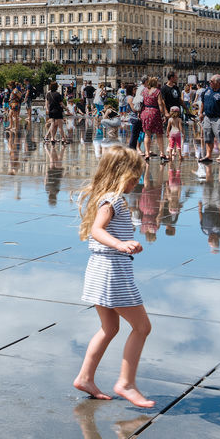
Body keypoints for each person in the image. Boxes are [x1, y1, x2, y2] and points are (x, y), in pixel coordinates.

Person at [72, 146, 154, 408]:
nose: (137, 181)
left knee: (110, 328)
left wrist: (126, 243)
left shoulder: (108, 198)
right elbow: (97, 230)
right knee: (142, 327)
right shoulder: (113, 200)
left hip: (100, 269)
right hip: (113, 272)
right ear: (121, 174)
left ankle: (85, 377)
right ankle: (126, 383)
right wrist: (120, 245)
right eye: (134, 176)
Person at [198, 74, 220, 163]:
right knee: (207, 137)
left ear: (218, 83)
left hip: (218, 118)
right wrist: (201, 113)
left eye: (212, 81)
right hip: (207, 117)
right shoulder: (207, 90)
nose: (209, 82)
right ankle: (208, 155)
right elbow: (203, 102)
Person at [139, 77, 167, 160]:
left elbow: (141, 103)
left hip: (145, 112)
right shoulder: (157, 91)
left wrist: (140, 113)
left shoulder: (144, 91)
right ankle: (162, 153)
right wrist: (163, 114)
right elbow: (160, 104)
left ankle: (147, 153)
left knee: (147, 134)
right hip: (155, 112)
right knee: (159, 134)